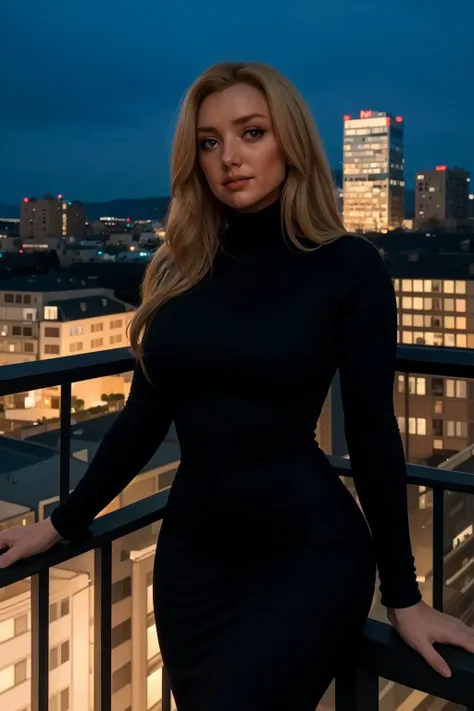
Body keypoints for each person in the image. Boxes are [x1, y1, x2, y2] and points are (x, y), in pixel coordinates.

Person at [1, 61, 473, 710]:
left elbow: (370, 428)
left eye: (251, 132)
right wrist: (60, 523)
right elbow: (143, 417)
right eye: (210, 141)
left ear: (291, 142)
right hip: (193, 560)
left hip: (305, 556)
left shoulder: (349, 268)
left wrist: (403, 595)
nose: (229, 158)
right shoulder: (178, 269)